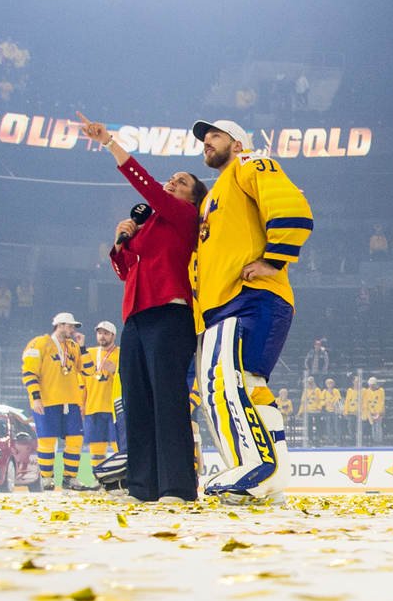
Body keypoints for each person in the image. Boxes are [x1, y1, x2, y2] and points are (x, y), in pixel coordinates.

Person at [79, 115, 204, 503]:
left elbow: (146, 186)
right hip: (135, 316)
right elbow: (124, 269)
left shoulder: (183, 217)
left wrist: (109, 143)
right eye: (173, 179)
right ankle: (142, 485)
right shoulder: (149, 224)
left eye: (182, 182)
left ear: (193, 198)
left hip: (170, 313)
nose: (172, 183)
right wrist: (121, 241)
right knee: (137, 401)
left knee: (168, 400)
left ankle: (177, 486)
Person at [189, 116, 315, 500]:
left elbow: (292, 207)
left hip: (247, 299)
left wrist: (274, 260)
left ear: (238, 143)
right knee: (248, 383)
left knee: (225, 384)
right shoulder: (211, 197)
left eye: (215, 135)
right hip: (223, 307)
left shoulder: (250, 164)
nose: (207, 142)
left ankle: (257, 468)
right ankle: (271, 477)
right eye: (204, 138)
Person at [22, 312, 90, 492]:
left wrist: (83, 348)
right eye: (70, 326)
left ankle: (70, 478)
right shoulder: (39, 344)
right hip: (47, 401)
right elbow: (29, 373)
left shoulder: (74, 346)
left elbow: (89, 371)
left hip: (71, 401)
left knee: (75, 440)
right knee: (47, 441)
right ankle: (47, 478)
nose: (73, 330)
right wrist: (35, 397)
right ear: (60, 325)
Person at [82, 321, 120, 470]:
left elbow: (130, 378)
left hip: (115, 408)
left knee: (119, 446)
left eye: (106, 333)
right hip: (93, 407)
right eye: (100, 333)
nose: (102, 336)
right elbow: (82, 381)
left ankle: (123, 479)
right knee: (96, 449)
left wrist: (115, 370)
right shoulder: (90, 353)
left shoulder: (121, 353)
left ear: (113, 335)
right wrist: (81, 404)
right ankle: (99, 479)